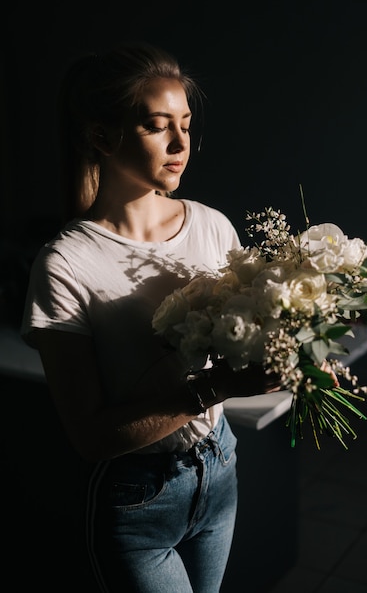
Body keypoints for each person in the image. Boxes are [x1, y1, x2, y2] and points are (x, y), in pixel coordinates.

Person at [20, 41, 282, 593]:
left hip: (221, 468)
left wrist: (300, 348)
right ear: (101, 136)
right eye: (158, 126)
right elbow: (91, 435)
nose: (182, 143)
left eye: (186, 123)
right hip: (136, 500)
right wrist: (213, 389)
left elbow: (255, 338)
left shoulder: (213, 227)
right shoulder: (66, 263)